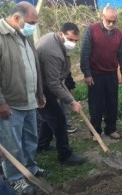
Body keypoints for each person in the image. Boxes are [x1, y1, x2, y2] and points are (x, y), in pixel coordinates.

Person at [0, 1, 49, 195]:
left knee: (30, 139)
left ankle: (31, 168)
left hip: (29, 100)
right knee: (11, 143)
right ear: (16, 18)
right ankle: (16, 179)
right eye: (31, 22)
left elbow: (33, 65)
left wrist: (39, 93)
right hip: (9, 104)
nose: (33, 26)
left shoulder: (25, 35)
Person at [36, 22, 86, 166]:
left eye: (76, 41)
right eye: (70, 40)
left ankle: (42, 145)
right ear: (61, 34)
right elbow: (53, 84)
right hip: (42, 87)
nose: (73, 43)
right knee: (59, 120)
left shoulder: (52, 38)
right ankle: (65, 155)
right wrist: (72, 101)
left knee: (49, 117)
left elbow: (56, 78)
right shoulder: (52, 52)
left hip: (44, 83)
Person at [80, 5, 122, 140]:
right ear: (102, 17)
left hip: (111, 73)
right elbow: (85, 52)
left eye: (114, 21)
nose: (111, 24)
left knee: (112, 102)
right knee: (96, 104)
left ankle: (110, 129)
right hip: (95, 74)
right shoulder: (92, 30)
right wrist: (87, 73)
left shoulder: (118, 34)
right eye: (109, 21)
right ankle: (96, 132)